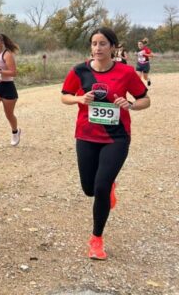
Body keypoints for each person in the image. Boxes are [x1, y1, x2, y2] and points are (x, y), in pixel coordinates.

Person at [61, 27, 150, 260]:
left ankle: (96, 240)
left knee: (100, 186)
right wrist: (79, 98)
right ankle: (108, 187)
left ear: (113, 47)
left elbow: (145, 100)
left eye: (102, 43)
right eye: (94, 43)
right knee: (89, 189)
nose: (97, 48)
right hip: (86, 135)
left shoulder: (126, 72)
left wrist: (130, 104)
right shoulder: (79, 70)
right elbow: (64, 95)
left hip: (116, 138)